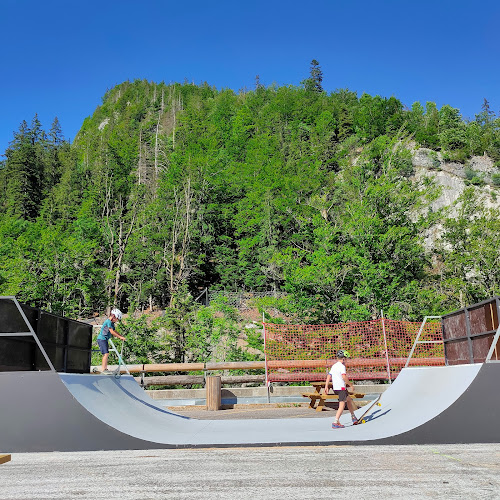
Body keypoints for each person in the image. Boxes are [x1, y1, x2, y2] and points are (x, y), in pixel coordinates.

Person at [325, 350, 358, 428]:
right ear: (343, 359)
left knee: (349, 399)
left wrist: (326, 386)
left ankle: (353, 416)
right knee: (342, 405)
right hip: (341, 388)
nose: (346, 361)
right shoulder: (342, 366)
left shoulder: (334, 365)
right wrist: (350, 385)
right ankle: (335, 421)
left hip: (336, 388)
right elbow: (344, 377)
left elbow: (329, 376)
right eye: (346, 359)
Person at [96, 308, 125, 374]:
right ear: (113, 316)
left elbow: (114, 331)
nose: (116, 320)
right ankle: (104, 369)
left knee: (107, 353)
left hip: (105, 339)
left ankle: (105, 368)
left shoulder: (112, 323)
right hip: (101, 339)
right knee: (105, 354)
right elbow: (112, 332)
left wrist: (121, 336)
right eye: (117, 318)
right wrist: (120, 337)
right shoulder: (108, 322)